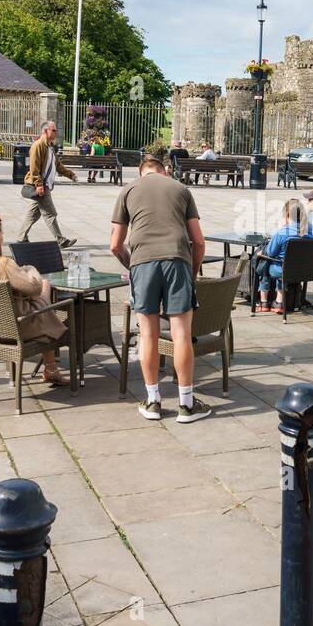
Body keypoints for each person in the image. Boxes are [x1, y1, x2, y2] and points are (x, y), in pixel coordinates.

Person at [110, 153, 211, 423]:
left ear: (141, 172)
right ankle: (187, 405)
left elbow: (115, 245)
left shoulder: (128, 190)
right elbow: (199, 242)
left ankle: (153, 401)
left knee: (149, 335)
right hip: (177, 259)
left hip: (143, 262)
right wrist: (190, 271)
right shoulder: (180, 188)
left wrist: (132, 266)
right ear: (164, 171)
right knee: (181, 334)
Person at [0, 209, 72, 387]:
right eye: (1, 233)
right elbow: (34, 287)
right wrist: (29, 269)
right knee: (44, 290)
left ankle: (50, 368)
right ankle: (51, 367)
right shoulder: (3, 264)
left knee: (38, 304)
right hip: (15, 331)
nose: (2, 237)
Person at [17, 121, 78, 249]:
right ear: (45, 131)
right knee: (50, 214)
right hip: (41, 186)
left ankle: (21, 238)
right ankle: (61, 241)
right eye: (54, 130)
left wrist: (70, 174)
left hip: (44, 185)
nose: (56, 133)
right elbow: (34, 167)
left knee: (33, 214)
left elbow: (57, 165)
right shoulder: (38, 146)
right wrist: (39, 184)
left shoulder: (49, 146)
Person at [256, 199, 313, 314]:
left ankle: (264, 302)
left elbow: (270, 253)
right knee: (282, 263)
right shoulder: (312, 230)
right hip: (307, 271)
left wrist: (280, 229)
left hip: (283, 270)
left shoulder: (282, 233)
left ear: (287, 215)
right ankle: (279, 302)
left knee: (264, 262)